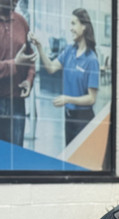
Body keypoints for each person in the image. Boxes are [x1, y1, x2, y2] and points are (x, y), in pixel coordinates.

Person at [31, 7, 99, 145]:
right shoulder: (69, 50)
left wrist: (67, 99)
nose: (70, 28)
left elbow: (91, 98)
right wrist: (39, 47)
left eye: (74, 23)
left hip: (84, 120)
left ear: (84, 26)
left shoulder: (91, 60)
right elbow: (50, 68)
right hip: (69, 117)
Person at [0, 0, 36, 146]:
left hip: (17, 104)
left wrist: (29, 79)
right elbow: (19, 60)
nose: (16, 1)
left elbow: (30, 58)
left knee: (15, 160)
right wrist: (15, 63)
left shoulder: (22, 22)